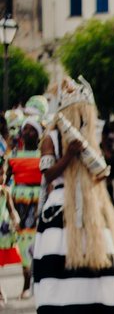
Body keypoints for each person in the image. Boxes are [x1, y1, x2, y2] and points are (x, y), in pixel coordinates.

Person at [33, 77, 114, 314]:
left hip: (90, 206)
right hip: (60, 207)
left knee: (96, 260)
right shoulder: (51, 137)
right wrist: (69, 155)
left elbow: (100, 173)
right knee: (59, 260)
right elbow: (48, 175)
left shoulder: (90, 137)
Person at [7, 101, 46, 299]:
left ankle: (38, 280)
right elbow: (5, 179)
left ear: (39, 134)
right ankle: (26, 282)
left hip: (38, 201)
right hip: (19, 203)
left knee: (39, 241)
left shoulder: (44, 156)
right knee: (23, 242)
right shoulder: (13, 155)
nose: (28, 133)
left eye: (32, 130)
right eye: (26, 129)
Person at [0, 147, 22, 303]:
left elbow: (11, 209)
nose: (1, 177)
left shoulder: (5, 192)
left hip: (2, 232)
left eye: (3, 174)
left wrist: (16, 220)